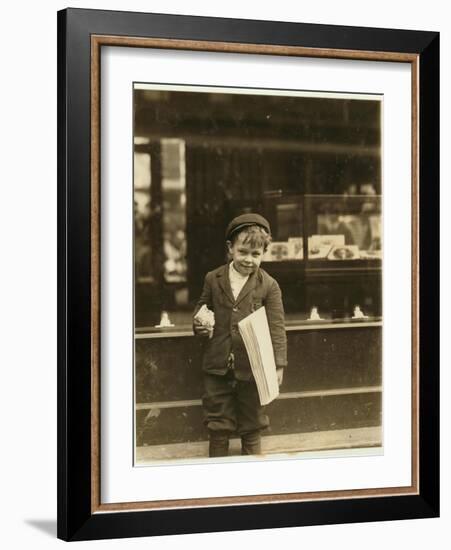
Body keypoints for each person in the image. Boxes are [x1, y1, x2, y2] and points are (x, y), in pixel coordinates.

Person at [193, 213, 287, 457]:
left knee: (252, 423)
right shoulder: (213, 279)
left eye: (256, 255)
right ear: (230, 249)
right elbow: (203, 309)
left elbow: (277, 327)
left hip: (253, 366)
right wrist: (200, 324)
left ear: (265, 253)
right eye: (243, 252)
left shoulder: (269, 285)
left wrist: (278, 366)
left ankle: (252, 474)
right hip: (218, 364)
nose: (249, 260)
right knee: (218, 423)